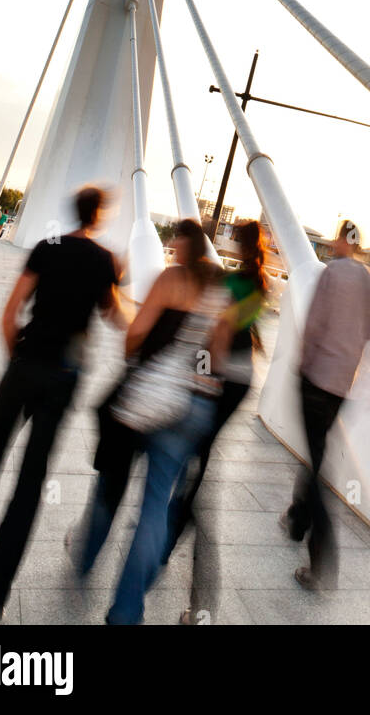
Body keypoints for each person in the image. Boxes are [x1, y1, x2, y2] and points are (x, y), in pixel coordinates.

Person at [0, 186, 123, 625]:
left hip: (23, 369)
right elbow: (118, 319)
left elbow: (10, 314)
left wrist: (18, 363)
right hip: (62, 380)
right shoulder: (104, 260)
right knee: (30, 483)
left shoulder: (47, 247)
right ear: (98, 216)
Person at [103, 219, 233, 626]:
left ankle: (111, 583)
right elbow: (218, 357)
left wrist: (130, 358)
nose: (171, 245)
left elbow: (137, 332)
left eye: (174, 239)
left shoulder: (171, 278)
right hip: (195, 405)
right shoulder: (221, 288)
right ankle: (127, 611)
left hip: (157, 398)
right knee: (157, 507)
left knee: (126, 488)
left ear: (183, 244)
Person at [280, 218, 370, 592]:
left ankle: (323, 565)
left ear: (340, 240)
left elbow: (315, 326)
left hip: (316, 380)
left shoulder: (331, 273)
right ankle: (296, 519)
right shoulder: (366, 280)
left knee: (319, 466)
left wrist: (302, 367)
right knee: (316, 452)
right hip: (340, 387)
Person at [165, 218, 268, 560]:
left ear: (238, 243)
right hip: (242, 378)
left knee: (197, 445)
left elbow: (218, 332)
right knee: (202, 445)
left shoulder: (234, 281)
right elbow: (242, 328)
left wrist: (204, 374)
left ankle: (178, 519)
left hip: (221, 375)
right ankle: (179, 513)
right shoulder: (259, 283)